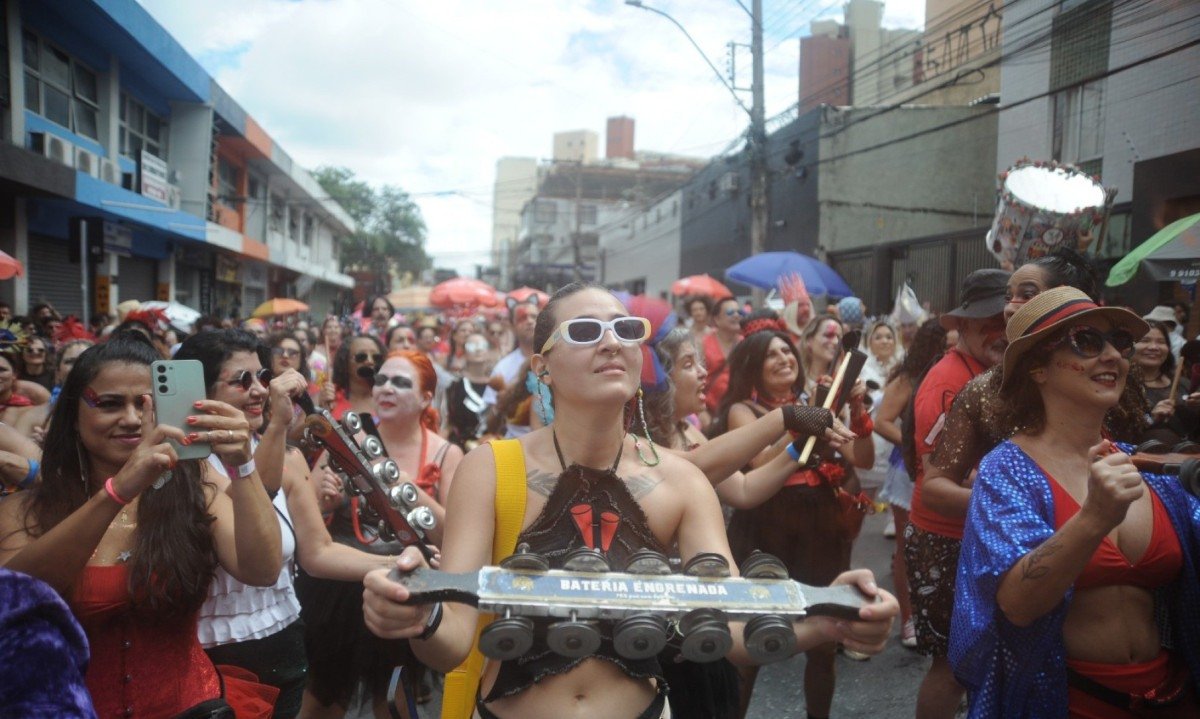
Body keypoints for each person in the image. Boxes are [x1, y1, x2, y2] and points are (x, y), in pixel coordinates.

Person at [360, 282, 897, 719]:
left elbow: (731, 626)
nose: (612, 341)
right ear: (541, 365)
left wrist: (830, 616)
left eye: (625, 329)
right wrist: (416, 618)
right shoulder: (490, 468)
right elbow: (452, 637)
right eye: (588, 330)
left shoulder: (682, 480)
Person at [0, 332, 283, 718]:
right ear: (73, 413)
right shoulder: (25, 510)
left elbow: (262, 569)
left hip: (191, 707)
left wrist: (243, 465)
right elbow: (16, 599)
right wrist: (116, 492)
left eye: (146, 404)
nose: (131, 419)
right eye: (111, 404)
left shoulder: (194, 488)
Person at [950, 286, 1200, 717]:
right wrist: (1093, 520)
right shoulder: (1007, 469)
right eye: (1087, 341)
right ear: (1038, 369)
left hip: (1175, 697)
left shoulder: (1145, 466)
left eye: (1120, 343)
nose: (1113, 356)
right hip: (1071, 702)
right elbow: (1017, 605)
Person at [715, 311, 875, 719]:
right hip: (766, 528)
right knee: (750, 642)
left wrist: (856, 410)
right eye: (771, 355)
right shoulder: (743, 410)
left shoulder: (814, 403)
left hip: (820, 527)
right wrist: (797, 422)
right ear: (753, 365)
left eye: (787, 350)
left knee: (824, 642)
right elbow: (757, 463)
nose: (785, 358)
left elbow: (863, 457)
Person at [301, 348, 459, 717]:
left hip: (405, 596)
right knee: (321, 703)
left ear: (425, 398)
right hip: (339, 593)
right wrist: (326, 499)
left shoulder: (446, 454)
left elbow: (455, 535)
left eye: (401, 383)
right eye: (382, 380)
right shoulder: (346, 438)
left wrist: (404, 485)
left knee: (395, 705)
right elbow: (306, 511)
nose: (386, 388)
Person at [904, 268, 1009, 719]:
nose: (1001, 331)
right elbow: (937, 488)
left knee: (981, 660)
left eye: (1008, 319)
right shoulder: (949, 382)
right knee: (950, 667)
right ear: (962, 325)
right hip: (945, 539)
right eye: (989, 321)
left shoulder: (992, 372)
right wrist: (1020, 503)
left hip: (978, 534)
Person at [872, 318, 947, 650]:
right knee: (908, 548)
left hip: (946, 471)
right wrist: (913, 442)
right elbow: (882, 421)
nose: (952, 350)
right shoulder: (909, 378)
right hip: (907, 471)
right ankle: (907, 618)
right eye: (947, 344)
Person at [484, 299, 539, 437]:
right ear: (512, 326)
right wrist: (502, 405)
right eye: (522, 318)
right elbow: (490, 424)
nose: (530, 321)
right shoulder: (503, 368)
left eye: (534, 317)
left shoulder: (557, 359)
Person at [1137, 320, 1196, 445]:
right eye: (1145, 341)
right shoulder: (1122, 386)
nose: (1154, 347)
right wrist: (1151, 419)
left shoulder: (1184, 383)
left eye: (1161, 342)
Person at [445, 330, 493, 450]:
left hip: (494, 447)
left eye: (482, 346)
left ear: (488, 351)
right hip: (461, 447)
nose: (478, 350)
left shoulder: (497, 384)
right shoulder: (455, 385)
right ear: (464, 352)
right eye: (472, 346)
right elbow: (448, 422)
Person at [320, 334, 384, 419]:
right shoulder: (329, 396)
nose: (370, 361)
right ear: (345, 362)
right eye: (361, 357)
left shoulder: (388, 396)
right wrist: (321, 411)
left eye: (376, 357)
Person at [701, 296, 743, 422]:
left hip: (738, 414)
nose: (736, 315)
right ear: (717, 319)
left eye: (738, 312)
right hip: (708, 415)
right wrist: (702, 414)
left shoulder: (746, 343)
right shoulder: (703, 344)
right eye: (730, 312)